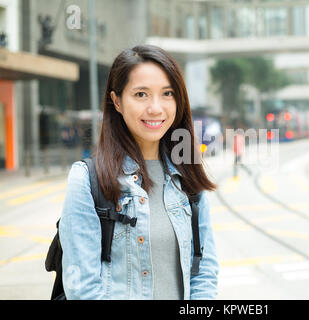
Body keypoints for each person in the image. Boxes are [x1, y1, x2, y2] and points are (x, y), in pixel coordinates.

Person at [59, 45, 219, 300]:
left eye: (167, 93)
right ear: (117, 101)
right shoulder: (87, 181)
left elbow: (203, 274)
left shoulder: (188, 177)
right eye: (141, 94)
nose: (156, 108)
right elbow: (83, 291)